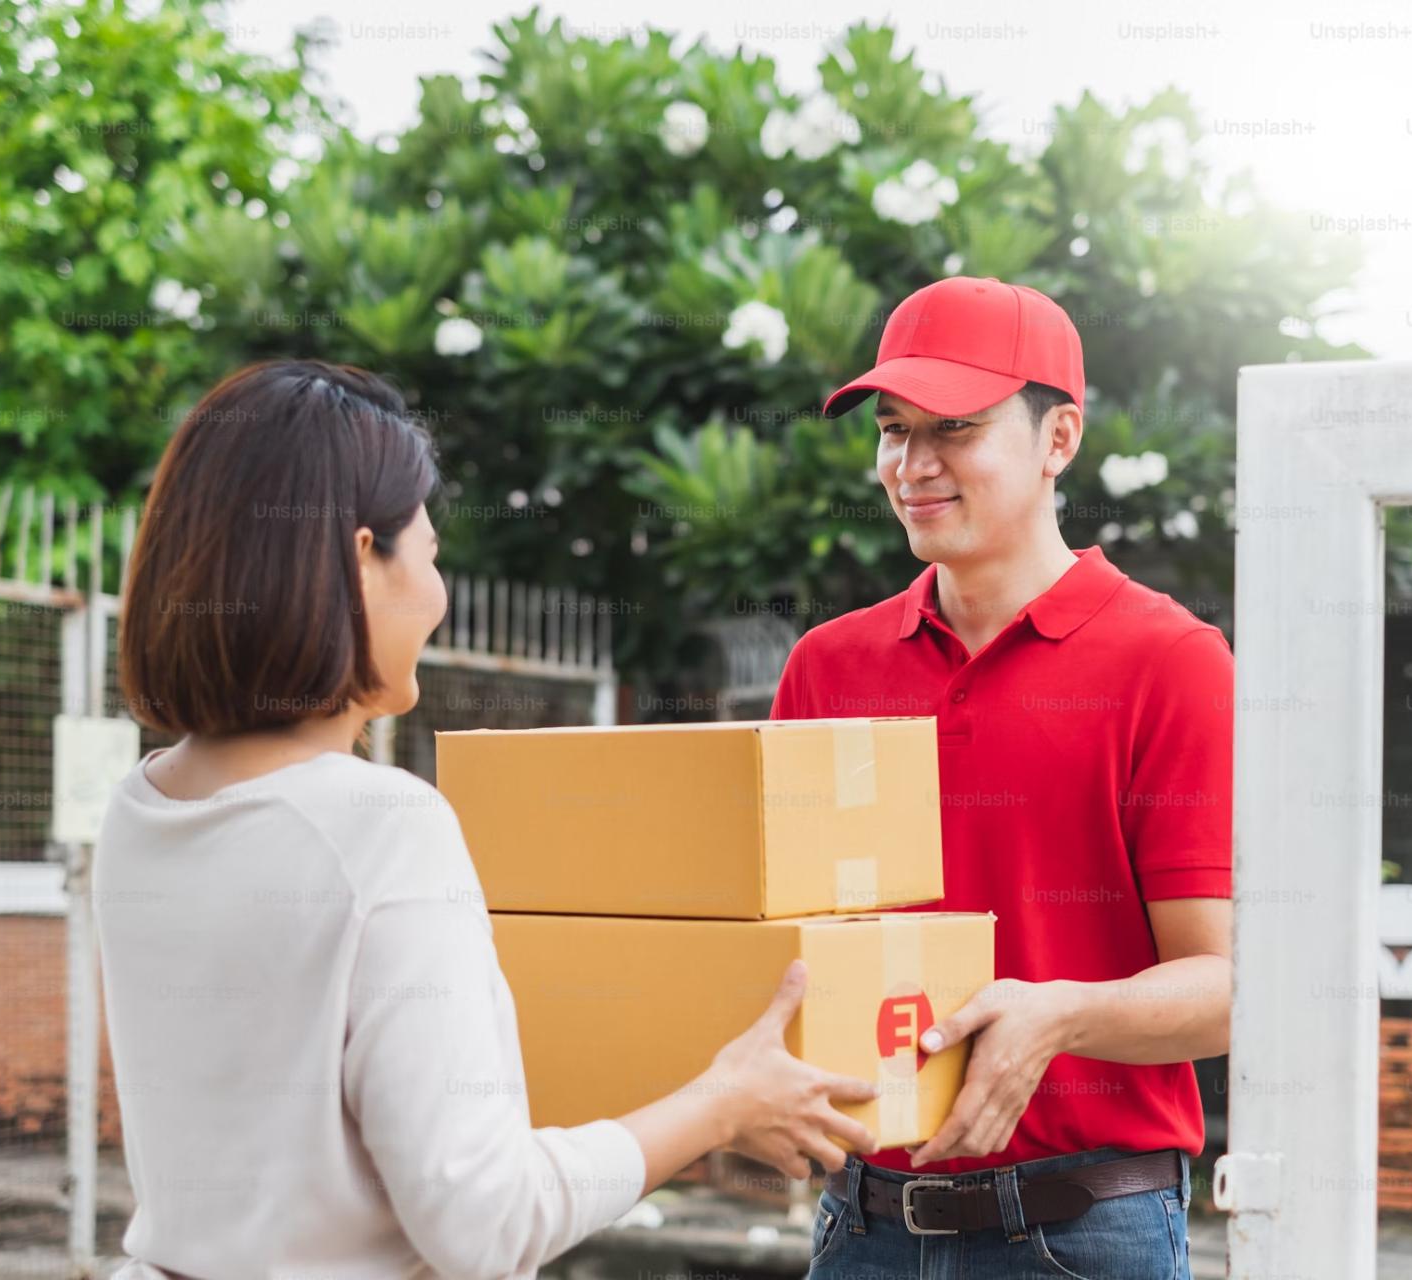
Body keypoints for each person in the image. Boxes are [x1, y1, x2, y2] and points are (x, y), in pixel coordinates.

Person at [95, 359, 878, 1280]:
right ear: (361, 561)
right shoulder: (382, 826)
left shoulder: (141, 808)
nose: (439, 594)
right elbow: (484, 1219)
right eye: (428, 554)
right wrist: (723, 1104)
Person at [773, 277, 1234, 1278]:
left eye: (954, 428)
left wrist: (1057, 1013)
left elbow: (1228, 987)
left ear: (1058, 437)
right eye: (893, 428)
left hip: (1083, 1232)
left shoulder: (1170, 661)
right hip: (862, 1229)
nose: (911, 464)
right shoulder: (829, 666)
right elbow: (785, 940)